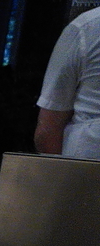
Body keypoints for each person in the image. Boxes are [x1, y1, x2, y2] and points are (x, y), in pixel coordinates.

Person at [36, 7, 100, 159]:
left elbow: (48, 130)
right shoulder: (86, 28)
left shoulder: (86, 28)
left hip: (83, 172)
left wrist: (59, 179)